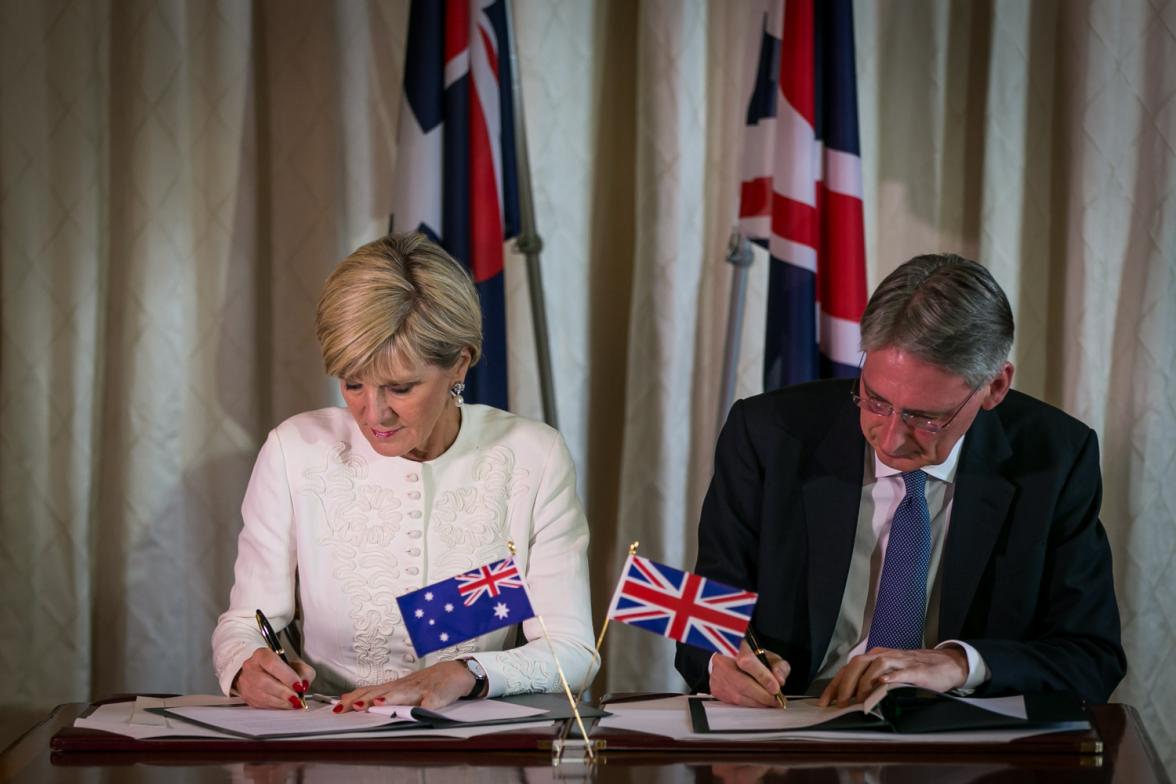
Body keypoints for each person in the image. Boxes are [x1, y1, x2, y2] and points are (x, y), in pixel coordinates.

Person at [676, 253, 1126, 708]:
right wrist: (719, 662)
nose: (890, 437)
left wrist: (959, 664)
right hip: (793, 724)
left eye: (925, 418)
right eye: (875, 400)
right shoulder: (768, 434)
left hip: (960, 745)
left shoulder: (1055, 459)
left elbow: (1092, 657)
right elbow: (703, 609)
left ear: (994, 388)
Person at [213, 232, 596, 711]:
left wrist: (464, 674)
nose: (374, 415)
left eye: (399, 388)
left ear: (459, 364)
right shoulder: (295, 451)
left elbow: (572, 651)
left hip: (476, 745)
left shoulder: (533, 457)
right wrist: (246, 663)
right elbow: (244, 624)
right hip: (330, 737)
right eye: (353, 384)